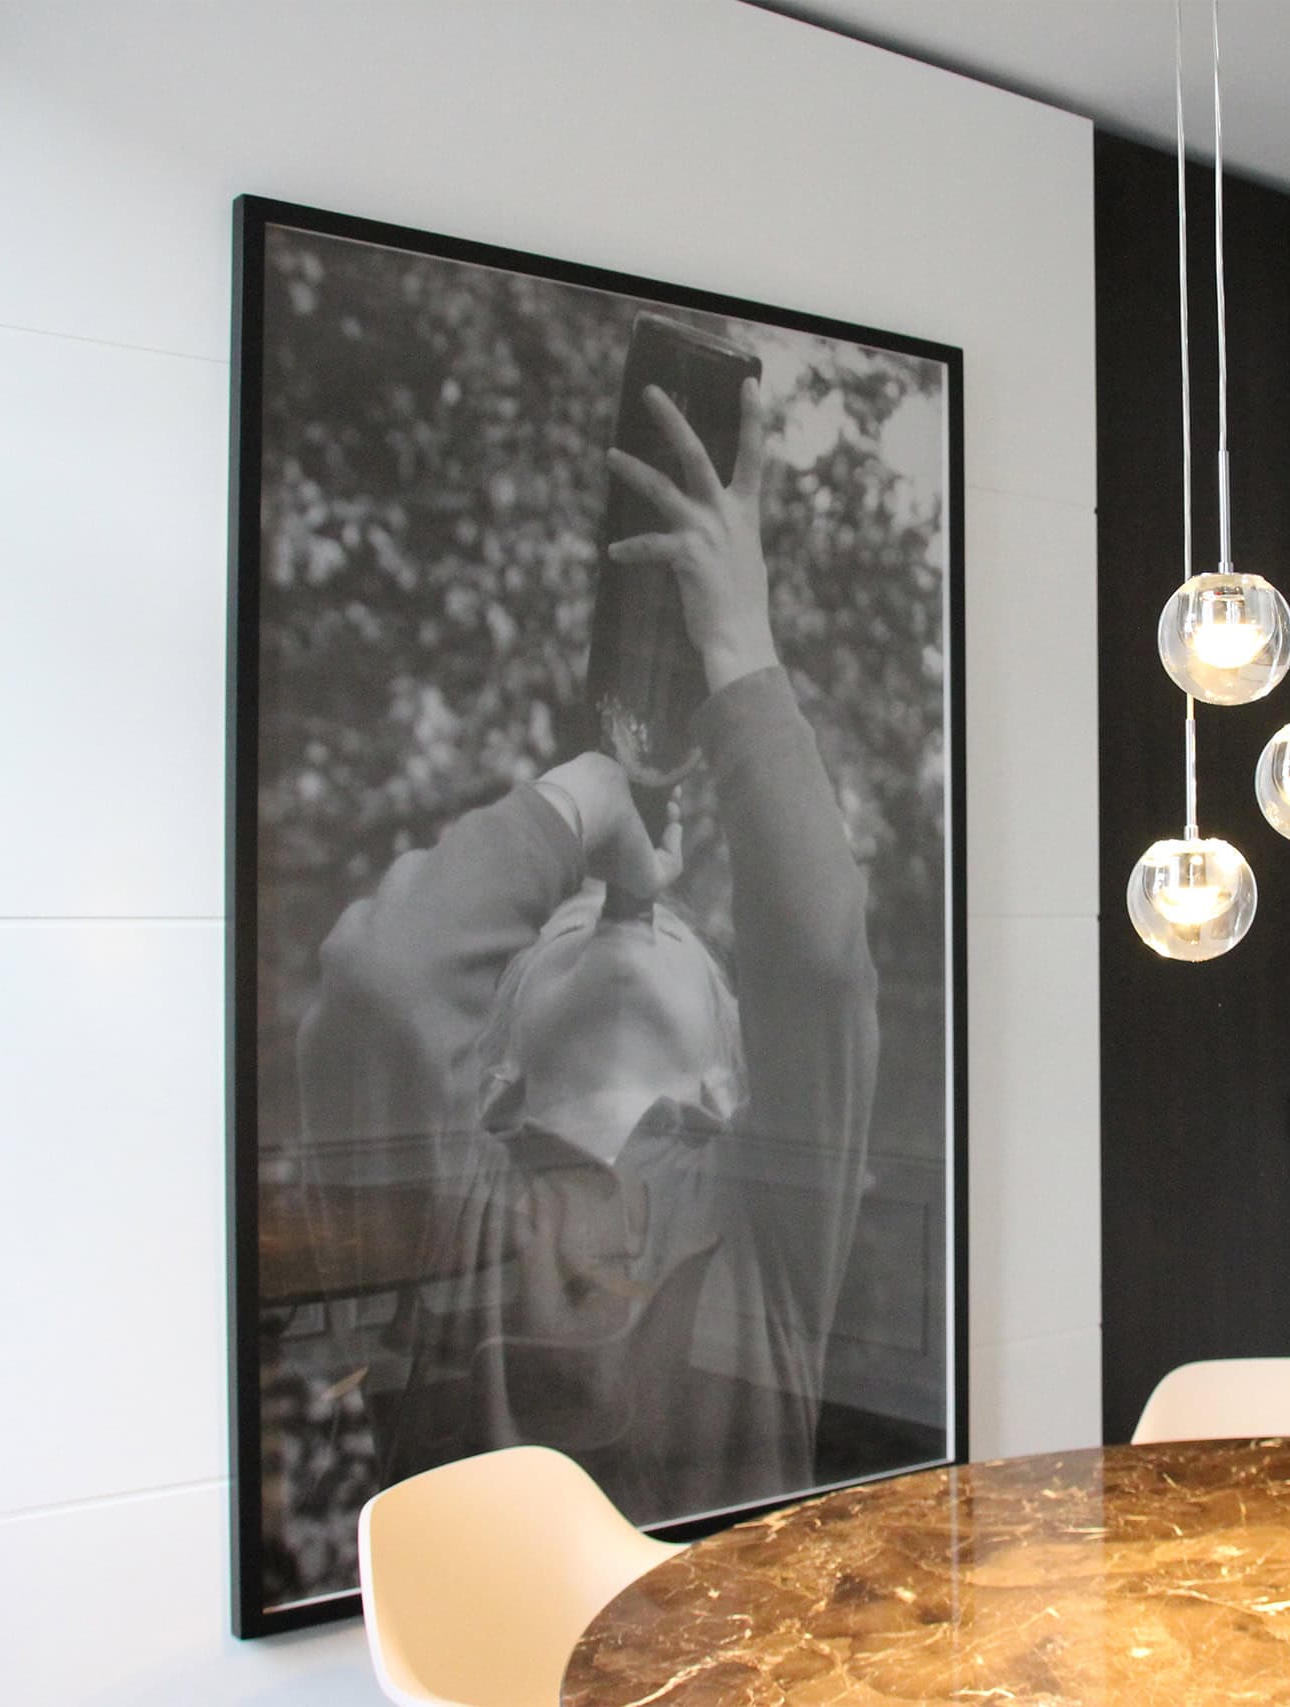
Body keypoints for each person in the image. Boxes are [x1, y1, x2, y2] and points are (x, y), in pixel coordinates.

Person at [294, 377, 879, 1526]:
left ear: (729, 1078)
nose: (624, 909)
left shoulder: (769, 1221)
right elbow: (381, 986)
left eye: (670, 929)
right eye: (567, 925)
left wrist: (740, 643)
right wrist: (591, 795)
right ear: (498, 1073)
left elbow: (818, 955)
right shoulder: (449, 1214)